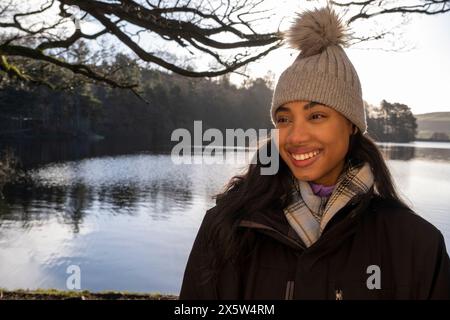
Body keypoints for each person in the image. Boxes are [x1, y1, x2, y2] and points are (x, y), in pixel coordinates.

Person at [179, 6, 450, 300]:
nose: (295, 136)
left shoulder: (416, 245)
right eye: (284, 119)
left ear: (351, 125)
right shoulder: (226, 227)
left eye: (316, 116)